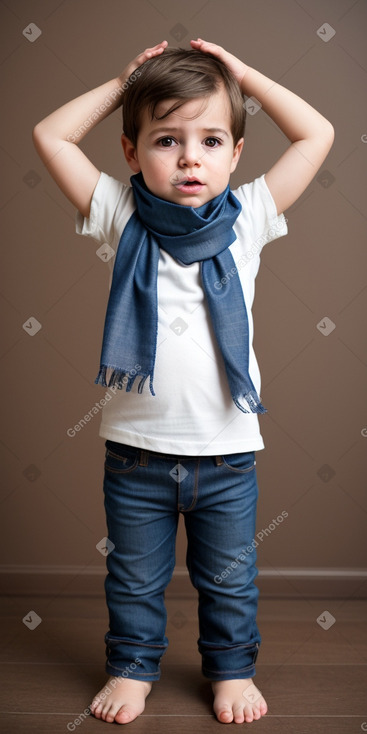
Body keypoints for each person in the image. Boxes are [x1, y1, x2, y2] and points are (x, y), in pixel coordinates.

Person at [33, 38, 334, 725]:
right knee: (134, 578)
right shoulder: (120, 214)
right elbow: (50, 134)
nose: (190, 157)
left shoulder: (247, 218)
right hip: (136, 451)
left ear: (235, 154)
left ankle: (230, 671)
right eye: (166, 140)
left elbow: (317, 132)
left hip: (226, 453)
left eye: (210, 139)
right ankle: (131, 668)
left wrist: (246, 77)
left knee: (229, 580)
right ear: (131, 153)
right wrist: (120, 83)